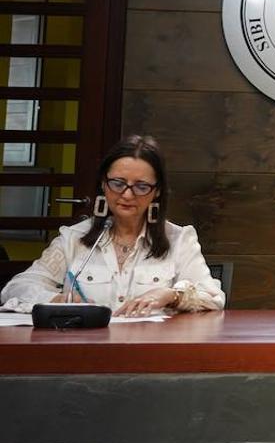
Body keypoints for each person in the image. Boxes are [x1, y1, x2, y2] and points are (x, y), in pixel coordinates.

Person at [0, 135, 224, 315]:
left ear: (156, 192)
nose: (127, 194)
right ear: (103, 185)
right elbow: (18, 287)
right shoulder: (74, 238)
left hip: (152, 356)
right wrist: (56, 300)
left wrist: (171, 296)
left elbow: (213, 297)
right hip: (83, 353)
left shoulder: (179, 239)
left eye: (141, 186)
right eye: (118, 183)